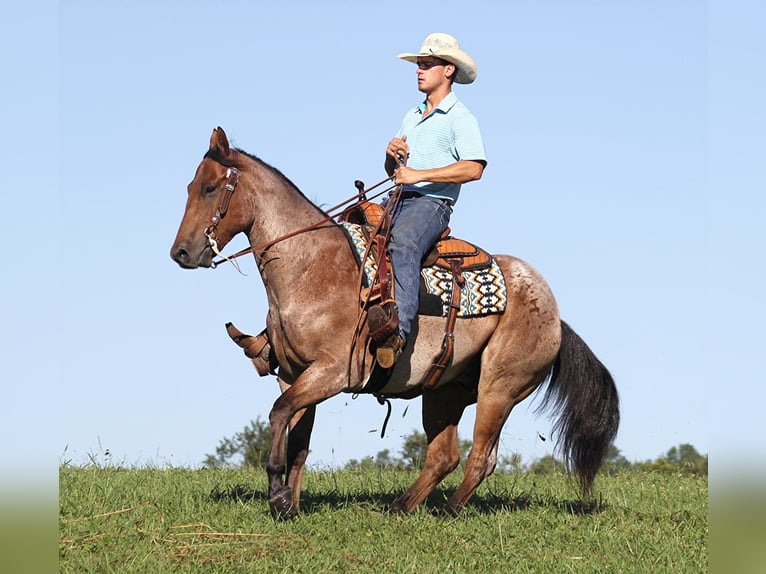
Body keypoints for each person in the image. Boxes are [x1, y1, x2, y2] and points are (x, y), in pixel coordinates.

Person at [372, 32, 487, 368]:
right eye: (418, 65)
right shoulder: (412, 114)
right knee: (352, 237)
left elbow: (474, 167)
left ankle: (399, 333)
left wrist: (419, 175)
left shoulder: (460, 117)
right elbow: (396, 170)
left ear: (448, 70)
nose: (419, 70)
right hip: (398, 197)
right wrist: (391, 155)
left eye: (426, 64)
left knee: (404, 243)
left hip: (431, 204)